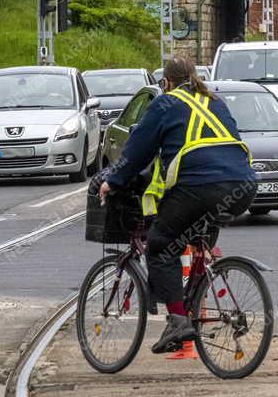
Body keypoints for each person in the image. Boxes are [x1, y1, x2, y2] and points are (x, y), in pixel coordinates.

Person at [99, 56, 257, 353]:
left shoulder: (164, 104)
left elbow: (137, 151)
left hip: (201, 187)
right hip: (243, 186)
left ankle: (178, 321)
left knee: (160, 244)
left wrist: (113, 181)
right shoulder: (215, 102)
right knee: (196, 239)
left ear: (166, 82)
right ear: (194, 77)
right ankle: (195, 296)